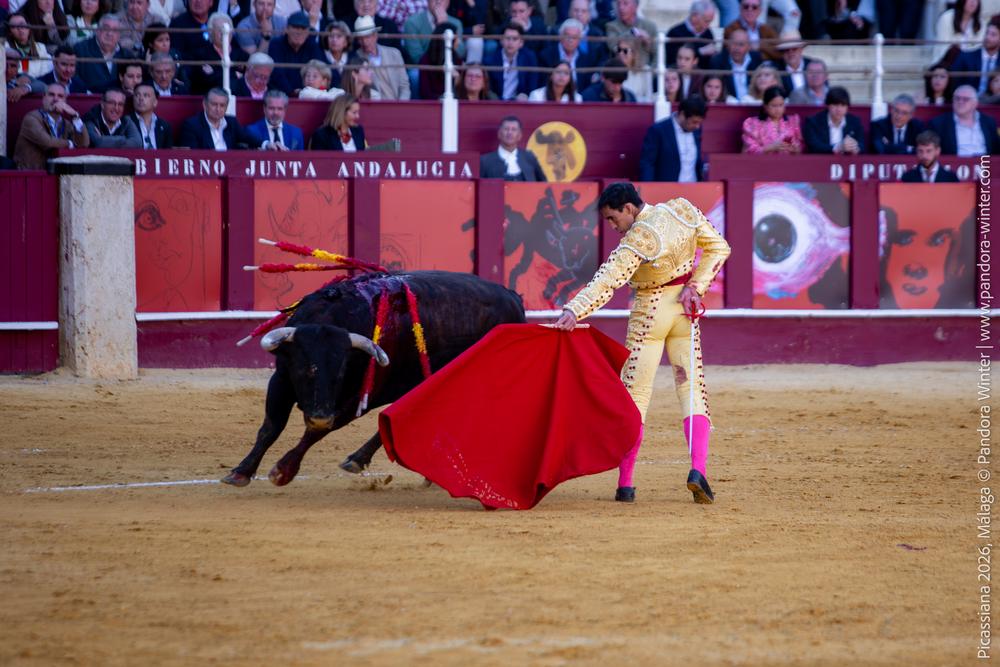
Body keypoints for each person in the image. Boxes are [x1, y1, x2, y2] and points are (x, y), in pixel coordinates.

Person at [552, 182, 730, 505]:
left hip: (650, 313)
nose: (612, 226)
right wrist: (696, 287)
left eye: (613, 218)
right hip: (685, 311)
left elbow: (607, 280)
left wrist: (574, 310)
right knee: (691, 389)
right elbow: (719, 247)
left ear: (629, 208)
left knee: (636, 395)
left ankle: (626, 484)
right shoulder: (682, 208)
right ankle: (698, 471)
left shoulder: (638, 237)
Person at [14, 82, 90, 170]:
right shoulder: (31, 118)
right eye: (51, 95)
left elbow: (84, 144)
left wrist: (75, 117)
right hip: (30, 173)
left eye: (60, 96)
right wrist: (70, 144)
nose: (55, 99)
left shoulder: (67, 123)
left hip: (57, 173)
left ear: (65, 101)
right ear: (44, 97)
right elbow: (47, 142)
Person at [638, 95, 707, 181]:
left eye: (699, 123)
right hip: (667, 187)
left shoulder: (696, 130)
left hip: (694, 186)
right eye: (694, 122)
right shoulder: (658, 130)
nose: (697, 126)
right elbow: (647, 163)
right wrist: (648, 187)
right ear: (682, 114)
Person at [179, 88, 264, 150]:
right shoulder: (192, 125)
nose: (218, 109)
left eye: (222, 105)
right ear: (205, 104)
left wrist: (265, 144)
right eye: (214, 104)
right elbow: (192, 156)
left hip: (230, 165)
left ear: (226, 107)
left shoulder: (231, 122)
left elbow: (247, 138)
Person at [928, 84, 1000, 155]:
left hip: (984, 161)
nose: (960, 102)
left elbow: (996, 149)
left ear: (975, 103)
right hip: (955, 162)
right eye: (957, 98)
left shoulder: (988, 121)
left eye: (965, 99)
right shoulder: (939, 123)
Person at [267, 10, 327, 95]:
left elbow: (322, 70)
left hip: (307, 95)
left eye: (303, 28)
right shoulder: (276, 45)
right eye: (295, 28)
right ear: (287, 29)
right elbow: (277, 74)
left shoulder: (312, 46)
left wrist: (304, 92)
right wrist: (293, 92)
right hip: (280, 95)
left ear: (308, 32)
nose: (299, 32)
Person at [352, 14, 411, 99]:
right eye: (360, 38)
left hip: (398, 102)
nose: (364, 42)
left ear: (375, 36)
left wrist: (401, 104)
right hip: (375, 104)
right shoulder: (356, 58)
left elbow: (404, 85)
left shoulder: (394, 54)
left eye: (367, 37)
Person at [73, 14, 128, 94]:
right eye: (106, 28)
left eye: (115, 30)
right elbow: (74, 80)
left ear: (119, 35)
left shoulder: (126, 55)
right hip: (89, 98)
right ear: (97, 30)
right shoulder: (81, 50)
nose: (110, 33)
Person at [539, 18, 597, 93]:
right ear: (560, 36)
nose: (570, 40)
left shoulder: (586, 59)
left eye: (574, 37)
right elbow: (543, 83)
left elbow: (586, 86)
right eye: (567, 36)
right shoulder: (546, 55)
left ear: (580, 40)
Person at [480, 116, 546, 180]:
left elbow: (544, 184)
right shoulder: (485, 161)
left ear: (519, 136)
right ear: (499, 134)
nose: (509, 133)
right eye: (506, 129)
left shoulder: (529, 157)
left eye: (514, 129)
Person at [484, 22, 538, 100]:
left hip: (519, 103)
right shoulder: (490, 61)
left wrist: (525, 95)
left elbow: (532, 85)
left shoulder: (529, 58)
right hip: (497, 102)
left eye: (514, 39)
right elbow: (489, 90)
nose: (510, 42)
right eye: (507, 38)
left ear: (521, 43)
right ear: (501, 40)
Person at [803, 86, 865, 154]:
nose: (839, 109)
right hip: (822, 160)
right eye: (835, 105)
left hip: (846, 160)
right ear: (828, 105)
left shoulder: (855, 121)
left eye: (843, 105)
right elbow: (814, 147)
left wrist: (855, 148)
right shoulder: (813, 122)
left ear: (847, 107)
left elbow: (862, 145)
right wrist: (837, 148)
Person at [741, 85, 803, 153]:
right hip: (763, 159)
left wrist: (795, 149)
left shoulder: (793, 121)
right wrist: (770, 148)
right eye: (774, 105)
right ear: (765, 106)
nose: (778, 109)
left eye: (781, 105)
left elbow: (800, 147)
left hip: (788, 159)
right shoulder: (752, 124)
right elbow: (749, 150)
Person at [708, 27, 761, 100]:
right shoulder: (718, 61)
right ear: (728, 45)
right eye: (734, 44)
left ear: (749, 47)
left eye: (741, 45)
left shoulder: (756, 59)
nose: (737, 48)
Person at [950, 21, 1000, 95]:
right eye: (987, 33)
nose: (987, 37)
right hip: (969, 99)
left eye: (993, 34)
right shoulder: (966, 57)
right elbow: (954, 82)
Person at [603, 0, 658, 67]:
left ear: (636, 7)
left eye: (625, 3)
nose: (621, 8)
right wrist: (633, 32)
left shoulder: (649, 26)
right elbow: (613, 47)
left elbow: (657, 54)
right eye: (618, 4)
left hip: (645, 70)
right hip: (622, 70)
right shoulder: (611, 26)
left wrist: (648, 42)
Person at [664, 0, 716, 67]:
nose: (708, 25)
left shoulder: (708, 33)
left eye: (710, 21)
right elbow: (672, 59)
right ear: (694, 16)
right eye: (706, 21)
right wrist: (700, 52)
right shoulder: (675, 33)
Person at [419, 23, 464, 99]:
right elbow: (425, 92)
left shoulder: (457, 59)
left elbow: (462, 93)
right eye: (456, 38)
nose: (458, 42)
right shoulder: (426, 60)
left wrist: (458, 79)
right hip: (434, 104)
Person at [933, 0, 984, 64]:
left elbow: (978, 50)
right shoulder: (947, 17)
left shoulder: (980, 23)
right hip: (945, 63)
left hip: (969, 65)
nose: (973, 2)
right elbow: (942, 49)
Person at [7, 13, 54, 80]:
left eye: (22, 24)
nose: (20, 29)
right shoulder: (5, 49)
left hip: (39, 84)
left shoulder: (41, 47)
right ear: (10, 32)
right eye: (14, 26)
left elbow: (46, 72)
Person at [129, 82, 173, 149]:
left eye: (146, 95)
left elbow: (168, 152)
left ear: (155, 102)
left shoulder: (164, 125)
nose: (141, 99)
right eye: (137, 95)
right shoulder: (126, 123)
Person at [773, 30, 812, 96]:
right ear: (782, 53)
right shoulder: (776, 69)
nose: (790, 52)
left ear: (801, 49)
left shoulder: (812, 65)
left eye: (794, 49)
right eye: (786, 50)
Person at [614, 36, 652, 102]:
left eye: (625, 51)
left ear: (634, 54)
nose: (620, 54)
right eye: (619, 50)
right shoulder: (612, 69)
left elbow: (648, 98)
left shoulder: (645, 70)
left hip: (638, 107)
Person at [324, 20, 353, 87]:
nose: (334, 40)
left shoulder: (353, 59)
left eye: (339, 36)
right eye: (331, 36)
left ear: (346, 41)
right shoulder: (321, 57)